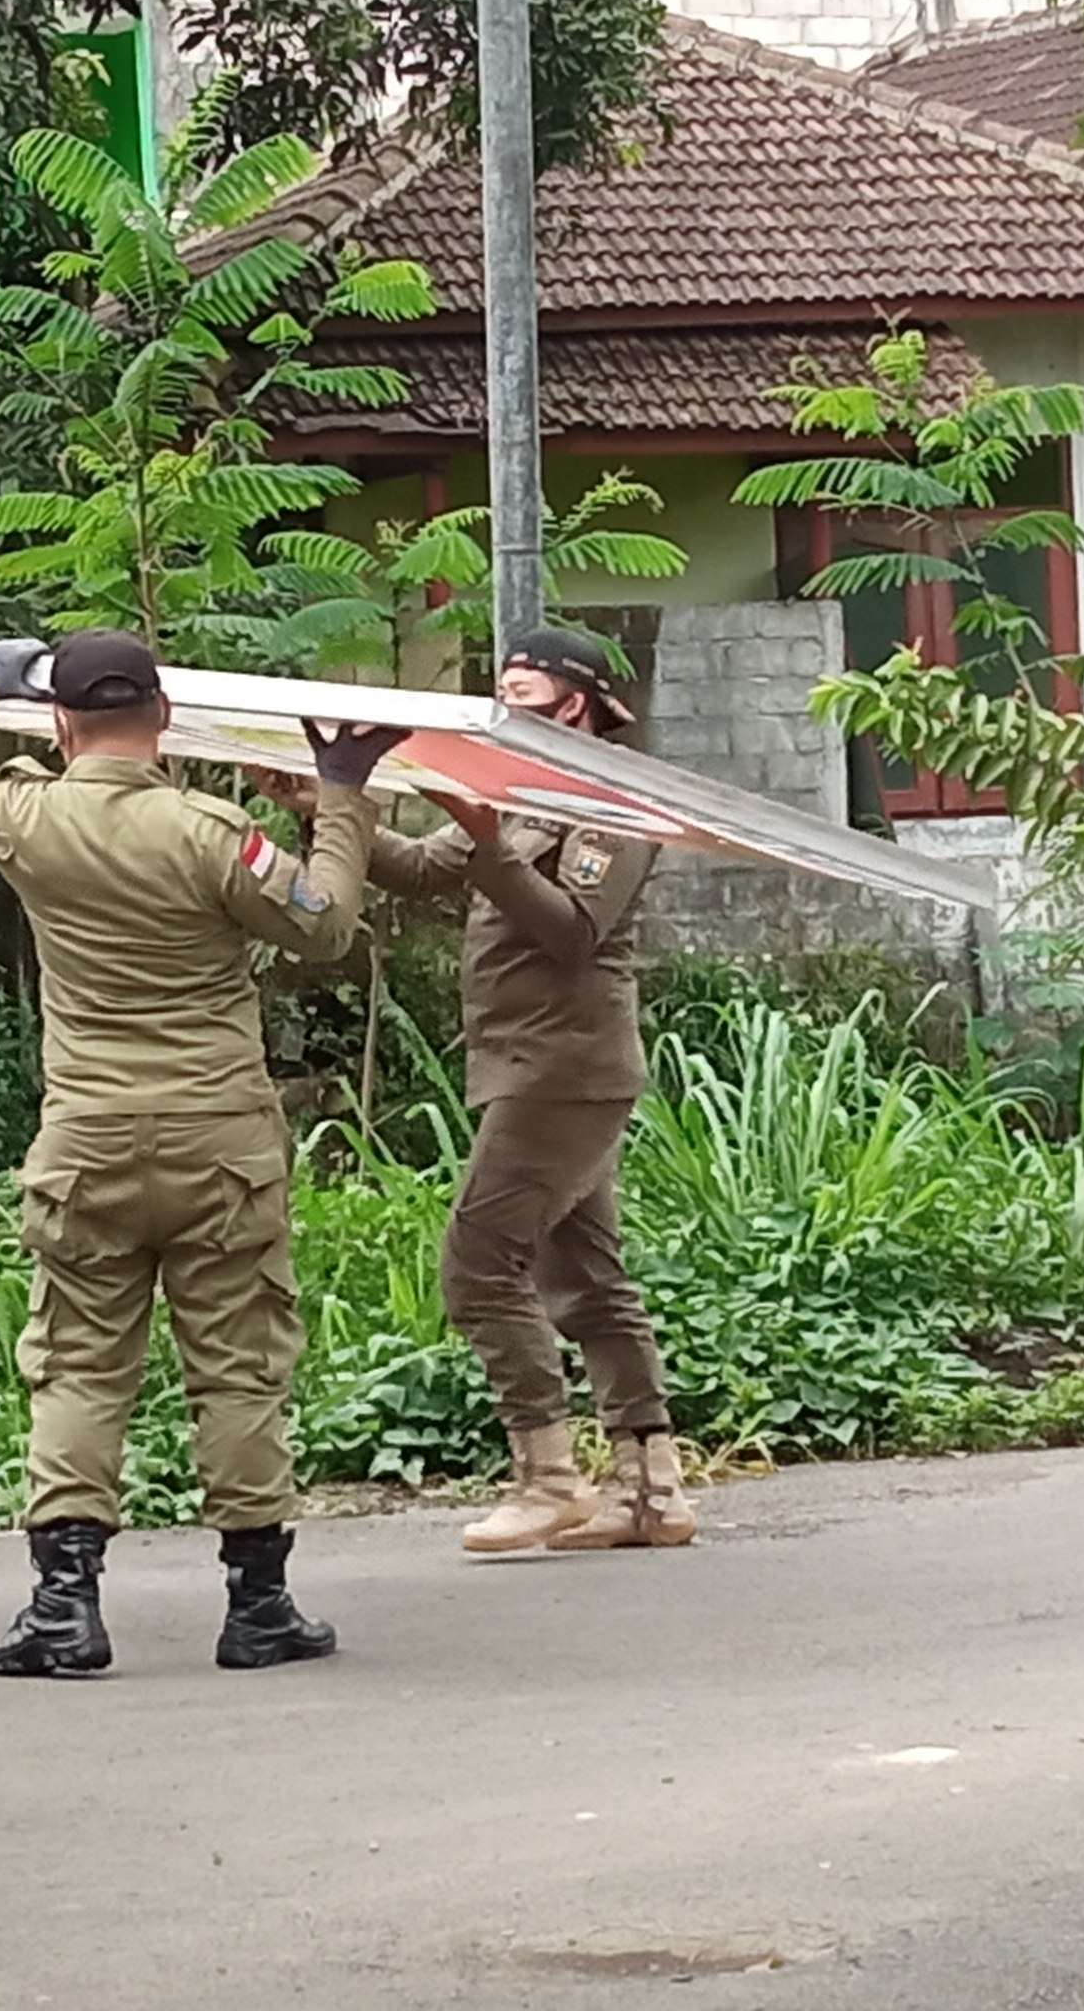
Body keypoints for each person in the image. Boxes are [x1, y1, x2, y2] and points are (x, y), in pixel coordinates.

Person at [0, 628, 397, 1677]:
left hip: (90, 1142)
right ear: (162, 718)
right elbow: (326, 925)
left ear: (62, 724)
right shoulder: (211, 834)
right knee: (239, 1373)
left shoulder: (24, 817)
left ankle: (64, 1606)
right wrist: (340, 793)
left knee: (77, 1368)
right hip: (220, 1142)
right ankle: (259, 1605)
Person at [362, 629, 693, 1555]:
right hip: (527, 1066)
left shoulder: (612, 803)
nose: (507, 710)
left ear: (575, 705)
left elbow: (572, 933)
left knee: (478, 1264)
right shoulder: (517, 791)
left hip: (562, 1072)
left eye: (525, 695)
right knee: (586, 1279)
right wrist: (330, 810)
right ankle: (651, 1491)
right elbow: (430, 869)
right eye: (500, 692)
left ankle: (548, 1477)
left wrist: (485, 842)